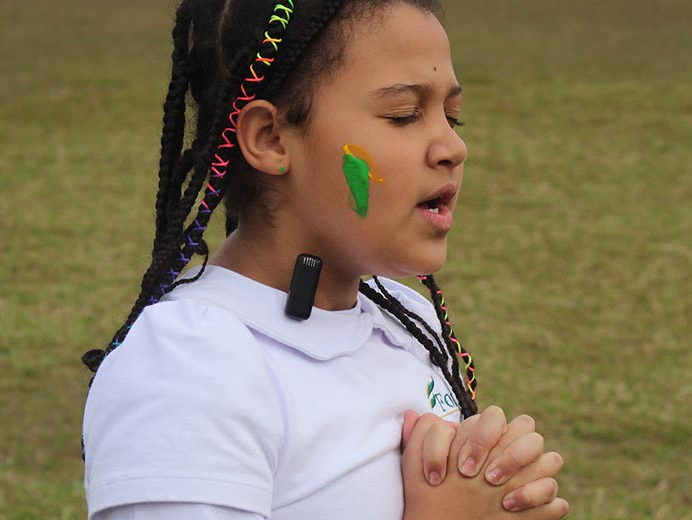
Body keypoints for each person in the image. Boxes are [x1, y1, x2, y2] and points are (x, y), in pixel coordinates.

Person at [81, 1, 569, 518]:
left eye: (452, 116)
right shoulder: (188, 368)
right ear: (270, 139)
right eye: (404, 115)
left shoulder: (408, 321)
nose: (452, 146)